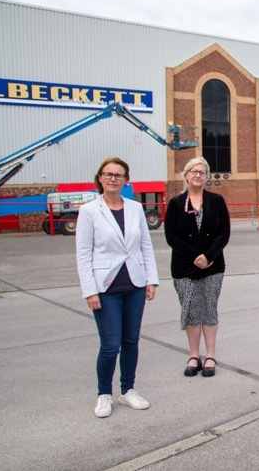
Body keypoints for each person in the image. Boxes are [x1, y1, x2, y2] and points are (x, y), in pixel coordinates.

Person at [76, 157, 159, 419]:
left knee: (131, 340)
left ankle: (127, 390)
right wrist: (90, 290)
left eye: (119, 175)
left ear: (126, 180)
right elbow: (83, 254)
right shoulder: (89, 211)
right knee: (110, 345)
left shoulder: (135, 209)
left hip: (134, 283)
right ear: (100, 178)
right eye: (108, 174)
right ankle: (104, 394)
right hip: (105, 287)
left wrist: (151, 279)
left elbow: (145, 245)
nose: (113, 178)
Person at [164, 157, 230, 378]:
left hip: (213, 267)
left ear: (207, 177)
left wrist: (209, 256)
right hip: (185, 267)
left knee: (209, 307)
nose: (198, 175)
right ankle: (194, 355)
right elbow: (171, 236)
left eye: (202, 172)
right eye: (193, 171)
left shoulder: (217, 201)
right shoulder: (175, 204)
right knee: (191, 310)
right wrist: (196, 256)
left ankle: (210, 355)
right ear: (186, 174)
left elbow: (224, 233)